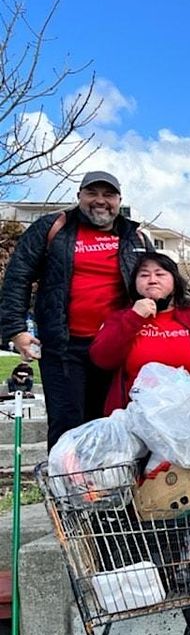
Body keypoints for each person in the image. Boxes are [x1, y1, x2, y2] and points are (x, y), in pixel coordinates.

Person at [0, 171, 152, 447]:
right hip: (63, 347)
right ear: (79, 196)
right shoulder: (53, 227)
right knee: (67, 424)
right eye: (92, 193)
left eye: (108, 195)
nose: (100, 201)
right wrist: (16, 330)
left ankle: (108, 487)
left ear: (119, 200)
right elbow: (17, 276)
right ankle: (65, 487)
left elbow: (157, 283)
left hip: (117, 347)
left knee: (114, 422)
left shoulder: (135, 237)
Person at [89, 252, 190, 415]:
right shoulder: (120, 319)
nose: (152, 280)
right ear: (134, 283)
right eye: (144, 275)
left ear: (175, 281)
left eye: (160, 274)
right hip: (134, 420)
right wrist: (134, 317)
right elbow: (102, 359)